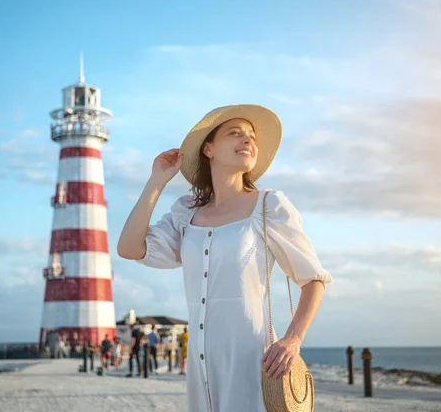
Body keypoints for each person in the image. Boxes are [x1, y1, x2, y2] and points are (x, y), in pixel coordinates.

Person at [117, 104, 334, 411]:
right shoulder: (186, 213)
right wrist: (156, 182)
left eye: (252, 137)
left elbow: (314, 279)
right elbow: (128, 248)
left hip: (253, 360)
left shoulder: (269, 205)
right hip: (201, 365)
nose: (248, 141)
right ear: (209, 149)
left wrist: (292, 340)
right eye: (235, 133)